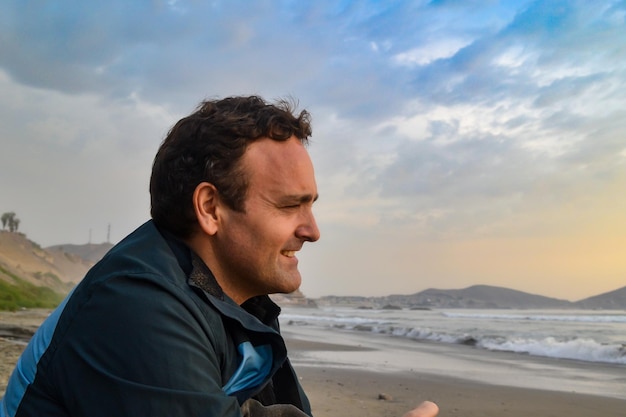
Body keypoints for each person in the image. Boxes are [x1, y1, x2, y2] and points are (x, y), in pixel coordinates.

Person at [0, 96, 438, 417]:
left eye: (311, 206)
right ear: (211, 209)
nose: (312, 230)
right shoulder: (136, 303)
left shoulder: (235, 307)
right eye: (290, 206)